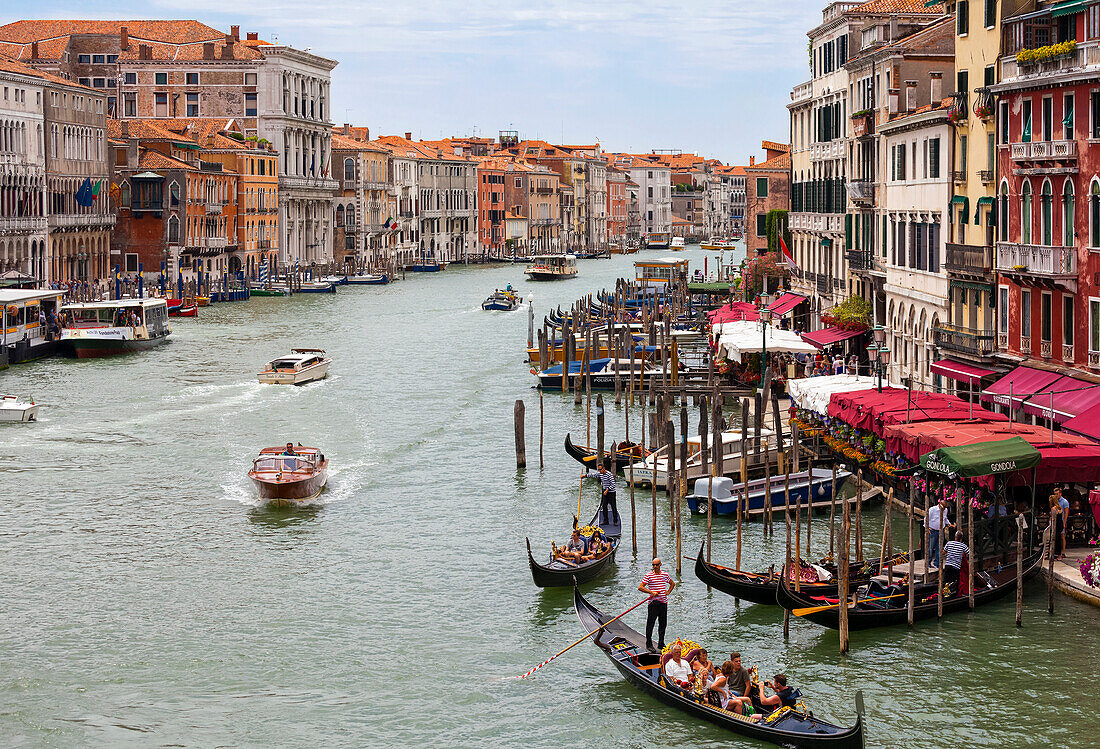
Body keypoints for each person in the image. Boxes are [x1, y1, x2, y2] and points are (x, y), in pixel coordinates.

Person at [639, 558, 675, 652]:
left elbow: (672, 584)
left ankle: (661, 643)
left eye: (656, 565)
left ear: (660, 565)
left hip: (663, 603)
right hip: (653, 603)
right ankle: (649, 644)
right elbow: (640, 587)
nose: (654, 567)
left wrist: (668, 592)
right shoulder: (649, 575)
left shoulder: (664, 575)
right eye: (653, 565)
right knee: (650, 624)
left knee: (663, 624)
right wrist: (651, 592)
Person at [927, 496, 952, 570]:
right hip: (932, 530)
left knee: (939, 548)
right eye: (943, 507)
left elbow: (945, 518)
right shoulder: (932, 509)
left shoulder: (945, 510)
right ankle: (928, 563)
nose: (944, 508)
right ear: (939, 504)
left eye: (945, 507)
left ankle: (936, 564)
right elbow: (926, 519)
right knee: (930, 548)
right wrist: (927, 527)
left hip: (941, 531)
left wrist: (949, 524)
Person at [596, 460, 620, 526]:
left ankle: (615, 521)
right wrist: (585, 475)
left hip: (611, 492)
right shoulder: (600, 474)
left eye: (601, 469)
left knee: (613, 506)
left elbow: (613, 485)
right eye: (599, 470)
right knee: (604, 506)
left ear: (604, 468)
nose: (600, 471)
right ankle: (606, 521)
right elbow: (594, 475)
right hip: (605, 492)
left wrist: (607, 490)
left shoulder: (609, 474)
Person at [1054, 486, 1069, 560]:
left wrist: (1064, 522)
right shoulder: (1054, 501)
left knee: (1062, 536)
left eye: (1057, 494)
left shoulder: (1064, 501)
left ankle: (1063, 552)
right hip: (1055, 521)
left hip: (1061, 521)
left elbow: (1066, 513)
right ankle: (1055, 552)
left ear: (1060, 494)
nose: (1056, 495)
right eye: (1055, 494)